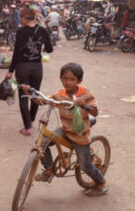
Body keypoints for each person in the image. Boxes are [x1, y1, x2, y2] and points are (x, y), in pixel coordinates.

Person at [25, 63, 106, 196]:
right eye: (65, 78)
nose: (68, 82)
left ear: (79, 80)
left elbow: (95, 112)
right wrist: (31, 93)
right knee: (41, 143)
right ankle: (49, 170)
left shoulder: (85, 93)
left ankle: (101, 183)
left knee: (85, 166)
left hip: (80, 135)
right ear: (61, 78)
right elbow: (42, 101)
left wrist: (84, 104)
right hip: (66, 130)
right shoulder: (59, 95)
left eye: (72, 79)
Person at [8, 7, 54, 136]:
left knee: (24, 96)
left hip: (22, 67)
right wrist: (42, 49)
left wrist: (11, 70)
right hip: (37, 67)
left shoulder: (21, 32)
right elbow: (49, 49)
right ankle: (31, 120)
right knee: (34, 95)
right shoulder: (43, 30)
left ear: (23, 17)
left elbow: (16, 53)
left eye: (20, 18)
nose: (20, 20)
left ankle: (27, 127)